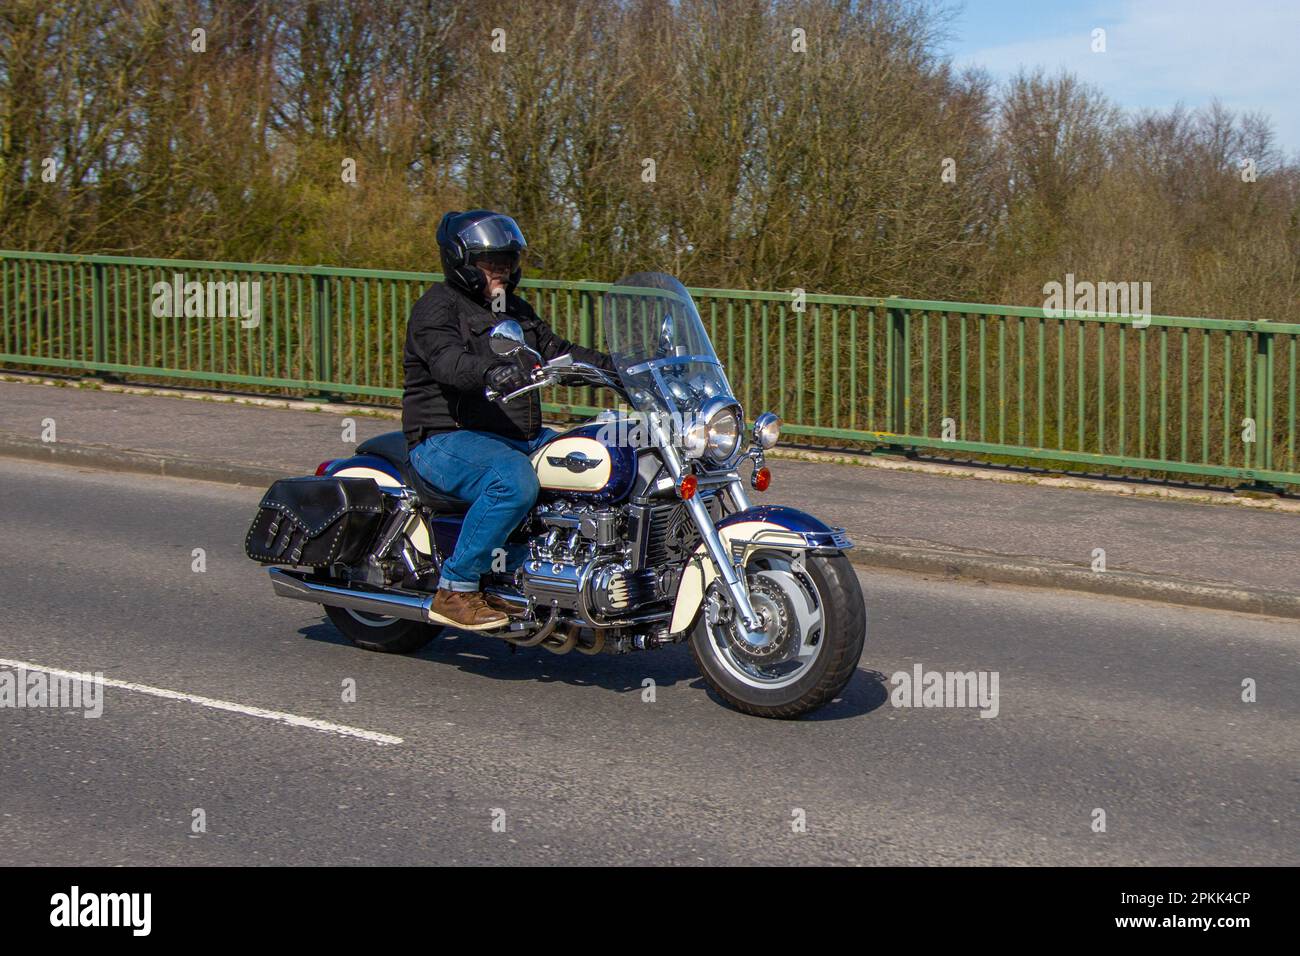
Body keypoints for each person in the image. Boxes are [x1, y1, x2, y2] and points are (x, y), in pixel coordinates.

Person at [401, 210, 615, 630]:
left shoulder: (513, 309)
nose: (502, 271)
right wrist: (489, 370)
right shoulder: (436, 308)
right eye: (490, 263)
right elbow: (448, 362)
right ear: (460, 262)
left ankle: (539, 573)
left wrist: (622, 369)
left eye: (507, 262)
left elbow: (558, 351)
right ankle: (455, 589)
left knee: (599, 456)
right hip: (446, 438)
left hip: (517, 435)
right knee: (512, 481)